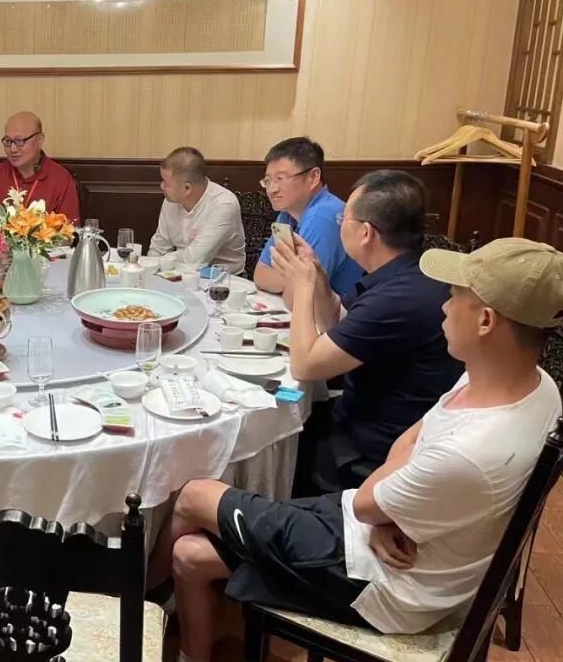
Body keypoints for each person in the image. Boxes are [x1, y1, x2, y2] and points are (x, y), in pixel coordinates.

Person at [152, 236, 563, 662]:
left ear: (486, 321)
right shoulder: (530, 383)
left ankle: (130, 611)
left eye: (454, 297)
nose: (444, 307)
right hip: (386, 541)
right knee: (189, 553)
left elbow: (370, 499)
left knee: (194, 496)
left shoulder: (473, 450)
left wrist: (381, 510)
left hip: (384, 587)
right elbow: (412, 437)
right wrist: (390, 509)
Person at [271, 170, 464, 487]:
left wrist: (302, 286)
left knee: (274, 439)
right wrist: (318, 278)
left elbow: (305, 366)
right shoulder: (406, 272)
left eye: (342, 220)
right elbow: (338, 324)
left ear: (365, 233)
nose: (339, 226)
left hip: (373, 452)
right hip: (373, 422)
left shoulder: (396, 299)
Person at [254, 137, 362, 296]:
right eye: (268, 180)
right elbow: (260, 274)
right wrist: (292, 279)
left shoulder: (324, 214)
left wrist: (292, 280)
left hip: (342, 309)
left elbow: (303, 289)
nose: (272, 189)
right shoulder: (287, 213)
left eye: (281, 179)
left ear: (313, 177)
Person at [0, 112, 80, 220]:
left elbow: (69, 232)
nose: (13, 149)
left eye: (20, 141)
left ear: (39, 140)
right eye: (8, 141)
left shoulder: (60, 179)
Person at [148, 147, 246, 274]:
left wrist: (163, 261)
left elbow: (194, 259)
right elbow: (159, 246)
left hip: (224, 279)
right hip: (179, 274)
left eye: (166, 183)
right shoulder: (171, 200)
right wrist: (149, 270)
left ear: (187, 188)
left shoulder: (224, 204)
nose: (161, 186)